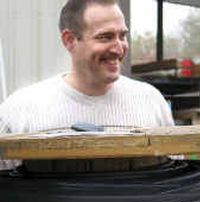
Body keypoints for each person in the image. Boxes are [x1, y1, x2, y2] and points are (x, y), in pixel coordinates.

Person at [0, 0, 174, 134]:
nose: (119, 48)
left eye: (122, 36)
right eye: (105, 37)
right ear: (69, 40)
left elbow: (175, 175)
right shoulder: (21, 111)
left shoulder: (151, 102)